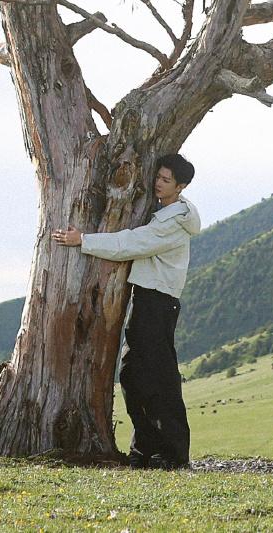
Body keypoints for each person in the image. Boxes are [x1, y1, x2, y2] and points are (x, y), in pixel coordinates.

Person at [51, 153, 202, 470]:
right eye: (158, 177)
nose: (158, 184)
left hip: (158, 301)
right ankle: (145, 448)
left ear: (181, 186)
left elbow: (132, 243)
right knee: (132, 376)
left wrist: (84, 240)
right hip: (148, 299)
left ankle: (173, 453)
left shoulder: (173, 222)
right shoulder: (164, 213)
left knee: (159, 379)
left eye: (165, 180)